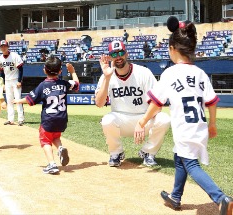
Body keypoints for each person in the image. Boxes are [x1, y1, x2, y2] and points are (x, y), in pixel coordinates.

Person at [134, 16, 233, 215]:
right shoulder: (201, 73)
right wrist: (212, 124)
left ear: (172, 48)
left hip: (185, 128)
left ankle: (220, 198)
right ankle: (175, 197)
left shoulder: (170, 73)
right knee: (180, 157)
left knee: (191, 164)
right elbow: (212, 102)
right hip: (199, 126)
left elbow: (156, 103)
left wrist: (142, 121)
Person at [95, 40, 170, 167]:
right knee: (107, 120)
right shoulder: (106, 76)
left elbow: (157, 104)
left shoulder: (143, 72)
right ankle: (116, 153)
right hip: (121, 119)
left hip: (144, 119)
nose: (118, 57)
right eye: (114, 54)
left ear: (126, 54)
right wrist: (107, 78)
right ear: (109, 57)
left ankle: (148, 152)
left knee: (164, 119)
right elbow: (99, 103)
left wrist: (142, 122)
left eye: (121, 53)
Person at [13, 55, 79, 174]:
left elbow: (29, 100)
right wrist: (73, 72)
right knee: (55, 137)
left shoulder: (43, 85)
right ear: (60, 71)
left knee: (45, 141)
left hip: (48, 119)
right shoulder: (64, 83)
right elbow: (76, 84)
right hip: (62, 119)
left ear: (44, 70)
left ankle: (52, 164)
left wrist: (17, 100)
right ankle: (60, 148)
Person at [0, 40, 25, 126]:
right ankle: (10, 119)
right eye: (2, 46)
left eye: (5, 46)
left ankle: (21, 119)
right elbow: (2, 72)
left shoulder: (14, 56)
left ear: (8, 47)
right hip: (7, 81)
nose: (3, 48)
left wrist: (19, 81)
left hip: (15, 79)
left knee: (18, 99)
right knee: (9, 100)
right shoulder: (0, 58)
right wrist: (3, 83)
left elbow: (20, 69)